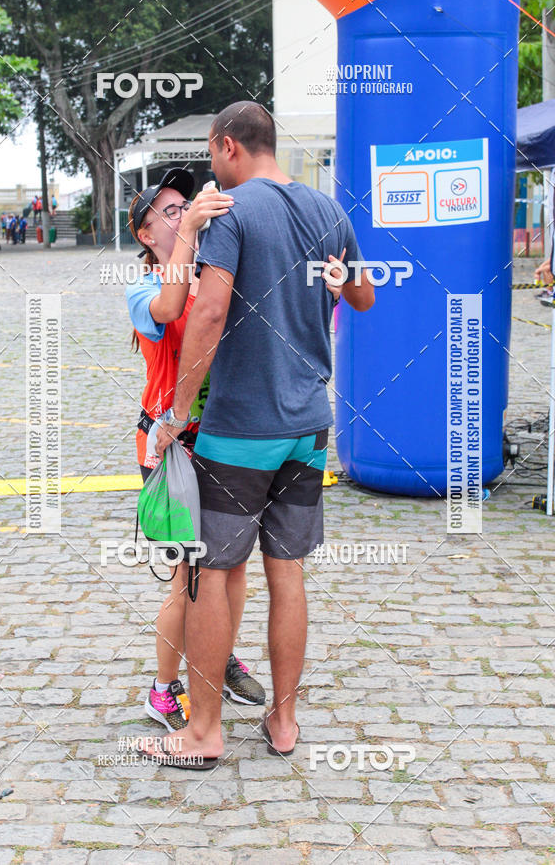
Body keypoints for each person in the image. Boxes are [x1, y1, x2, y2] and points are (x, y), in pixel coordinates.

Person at [153, 101, 374, 769]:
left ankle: (205, 732)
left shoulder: (232, 211)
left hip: (242, 427)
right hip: (309, 427)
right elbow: (364, 294)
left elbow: (210, 308)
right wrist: (340, 286)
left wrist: (176, 411)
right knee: (288, 573)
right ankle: (283, 720)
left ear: (228, 147)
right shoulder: (328, 210)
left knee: (210, 576)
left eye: (213, 160)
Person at [125, 168, 266, 733]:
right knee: (192, 576)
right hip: (171, 447)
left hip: (222, 438)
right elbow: (170, 303)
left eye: (187, 204)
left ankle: (216, 650)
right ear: (145, 234)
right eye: (169, 210)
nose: (183, 213)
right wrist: (192, 234)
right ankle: (163, 690)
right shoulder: (143, 292)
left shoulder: (211, 273)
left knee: (231, 571)